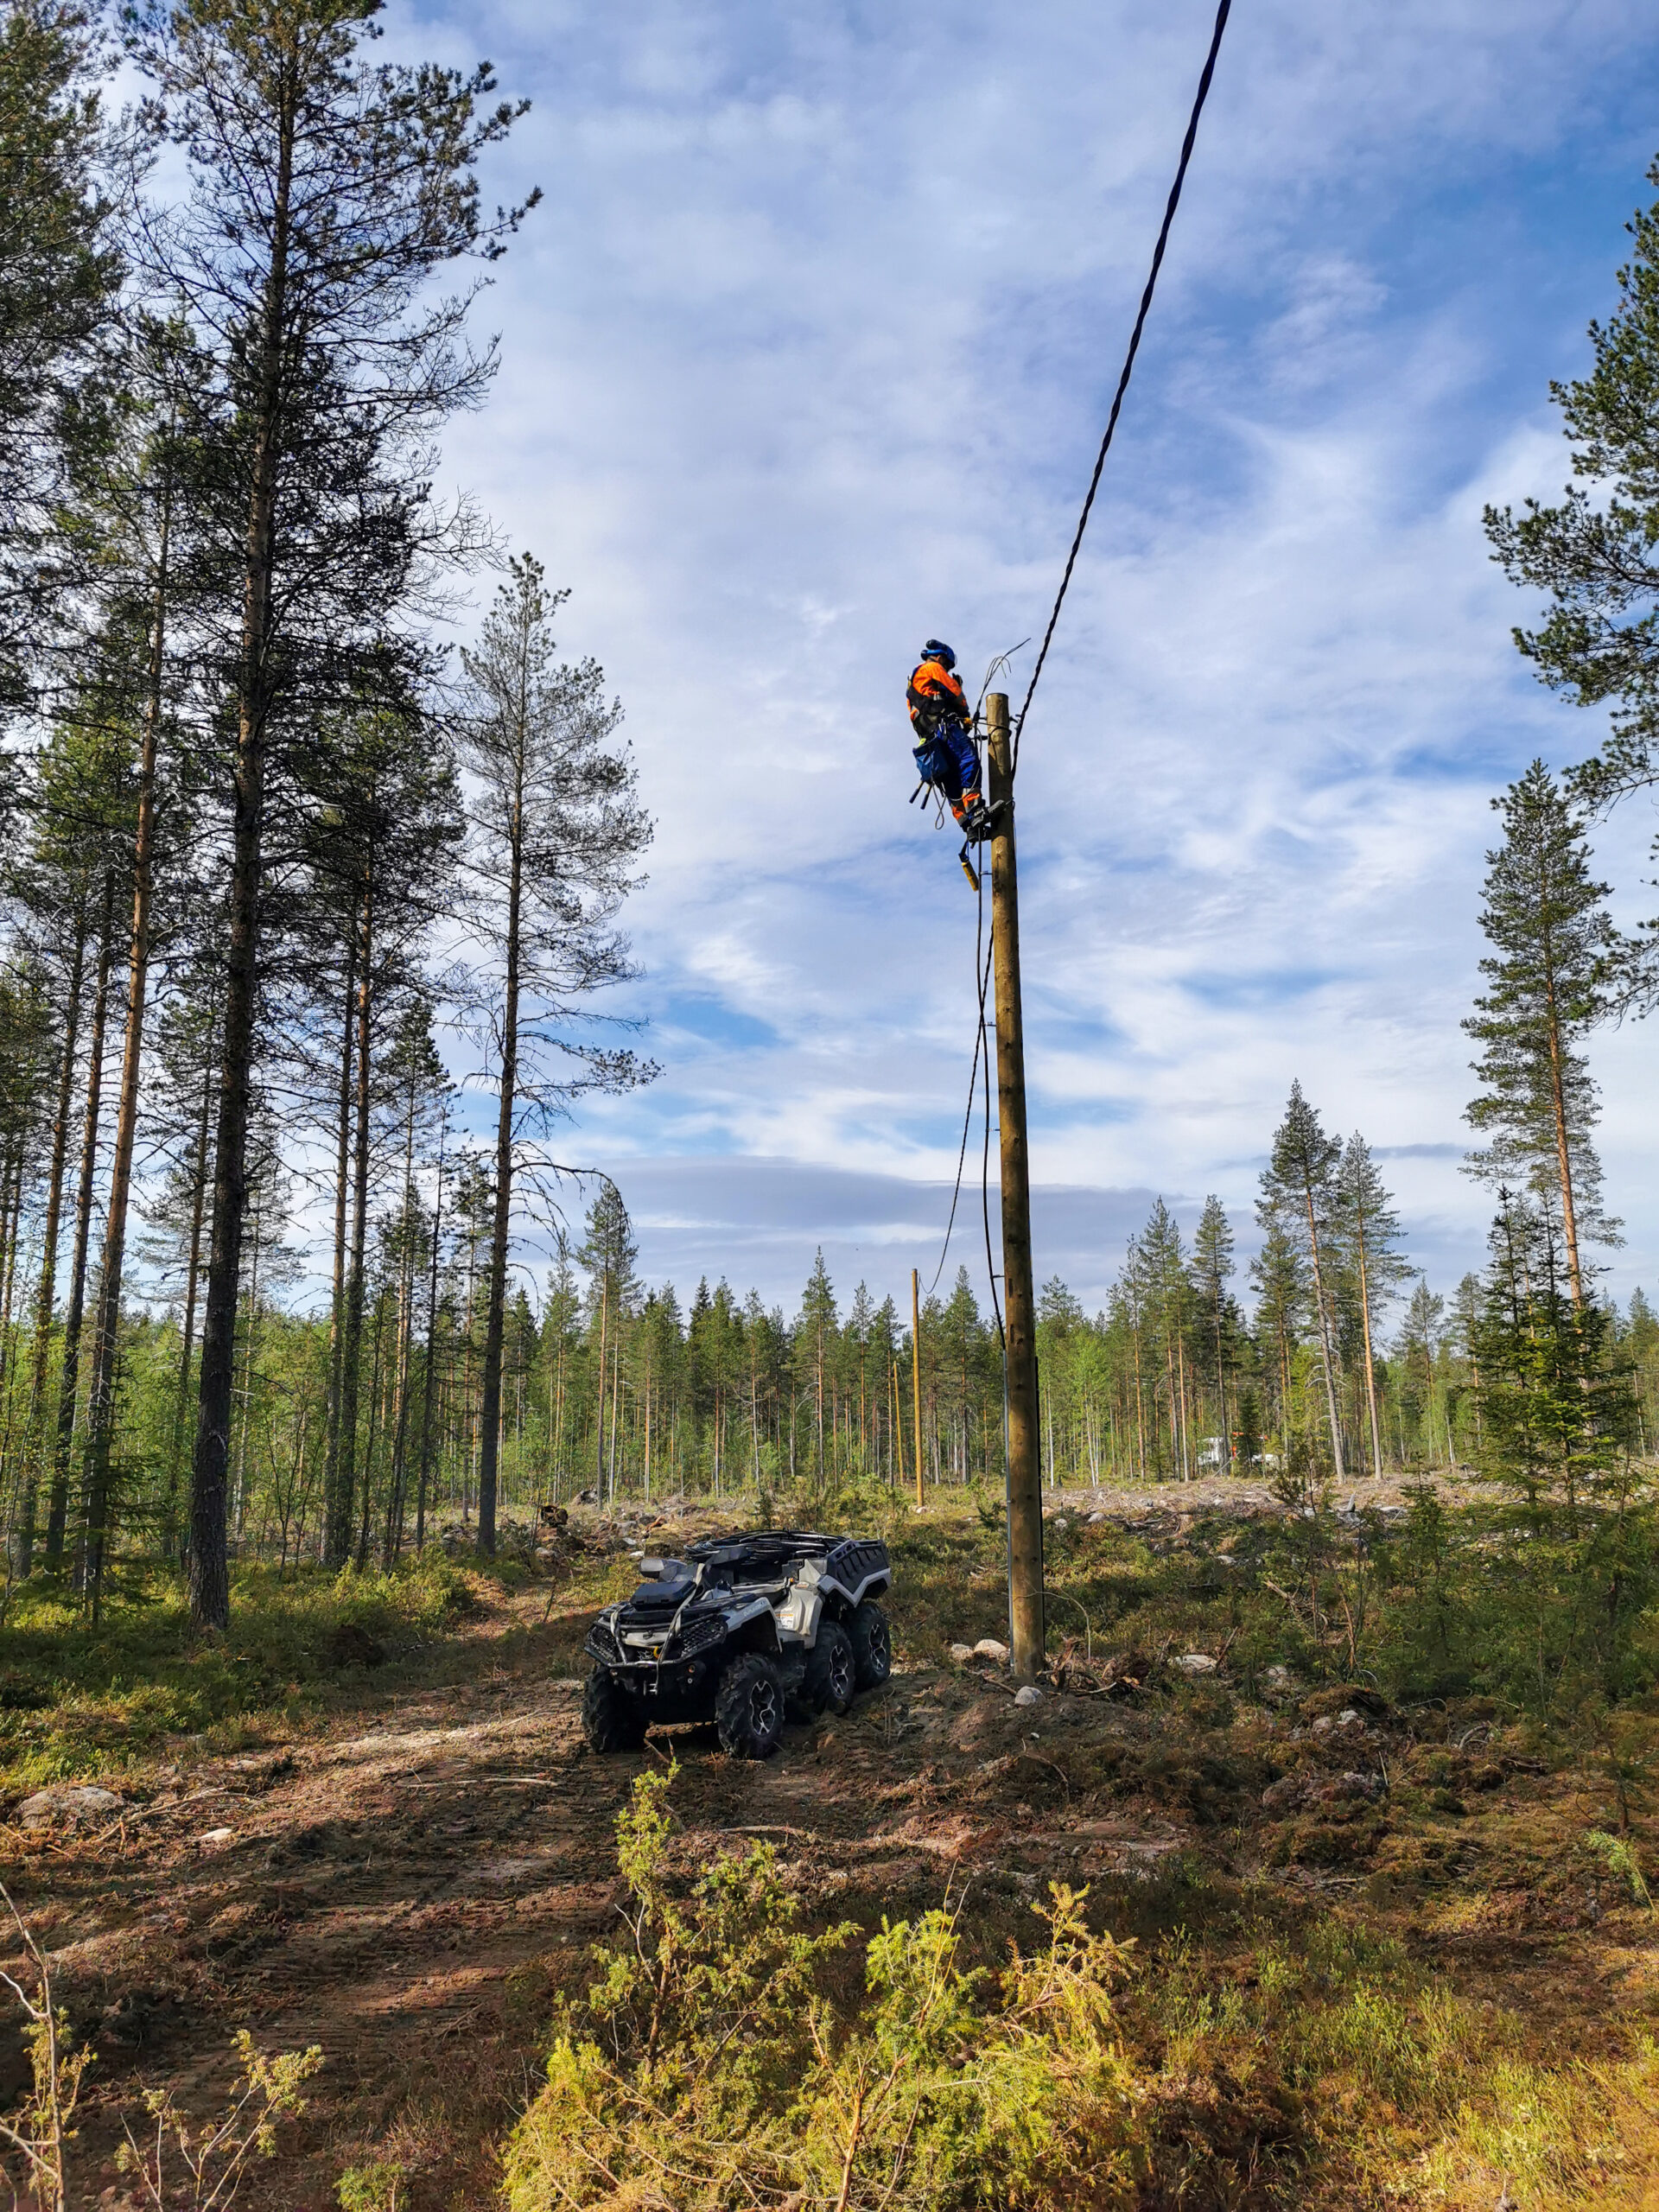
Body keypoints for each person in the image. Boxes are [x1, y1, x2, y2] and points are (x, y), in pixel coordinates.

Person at [907, 640, 998, 839]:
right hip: (944, 728)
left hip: (931, 742)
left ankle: (970, 827)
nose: (946, 669)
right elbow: (955, 693)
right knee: (968, 759)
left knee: (952, 780)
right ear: (940, 658)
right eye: (946, 665)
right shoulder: (932, 668)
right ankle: (975, 808)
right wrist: (963, 714)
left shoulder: (913, 684)